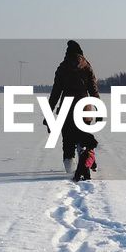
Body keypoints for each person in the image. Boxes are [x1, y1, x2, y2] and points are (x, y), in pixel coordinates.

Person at [45, 40, 99, 180]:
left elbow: (55, 93)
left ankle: (70, 169)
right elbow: (93, 91)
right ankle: (85, 159)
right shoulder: (87, 67)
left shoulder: (62, 68)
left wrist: (48, 113)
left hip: (66, 111)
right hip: (85, 109)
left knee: (68, 141)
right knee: (84, 138)